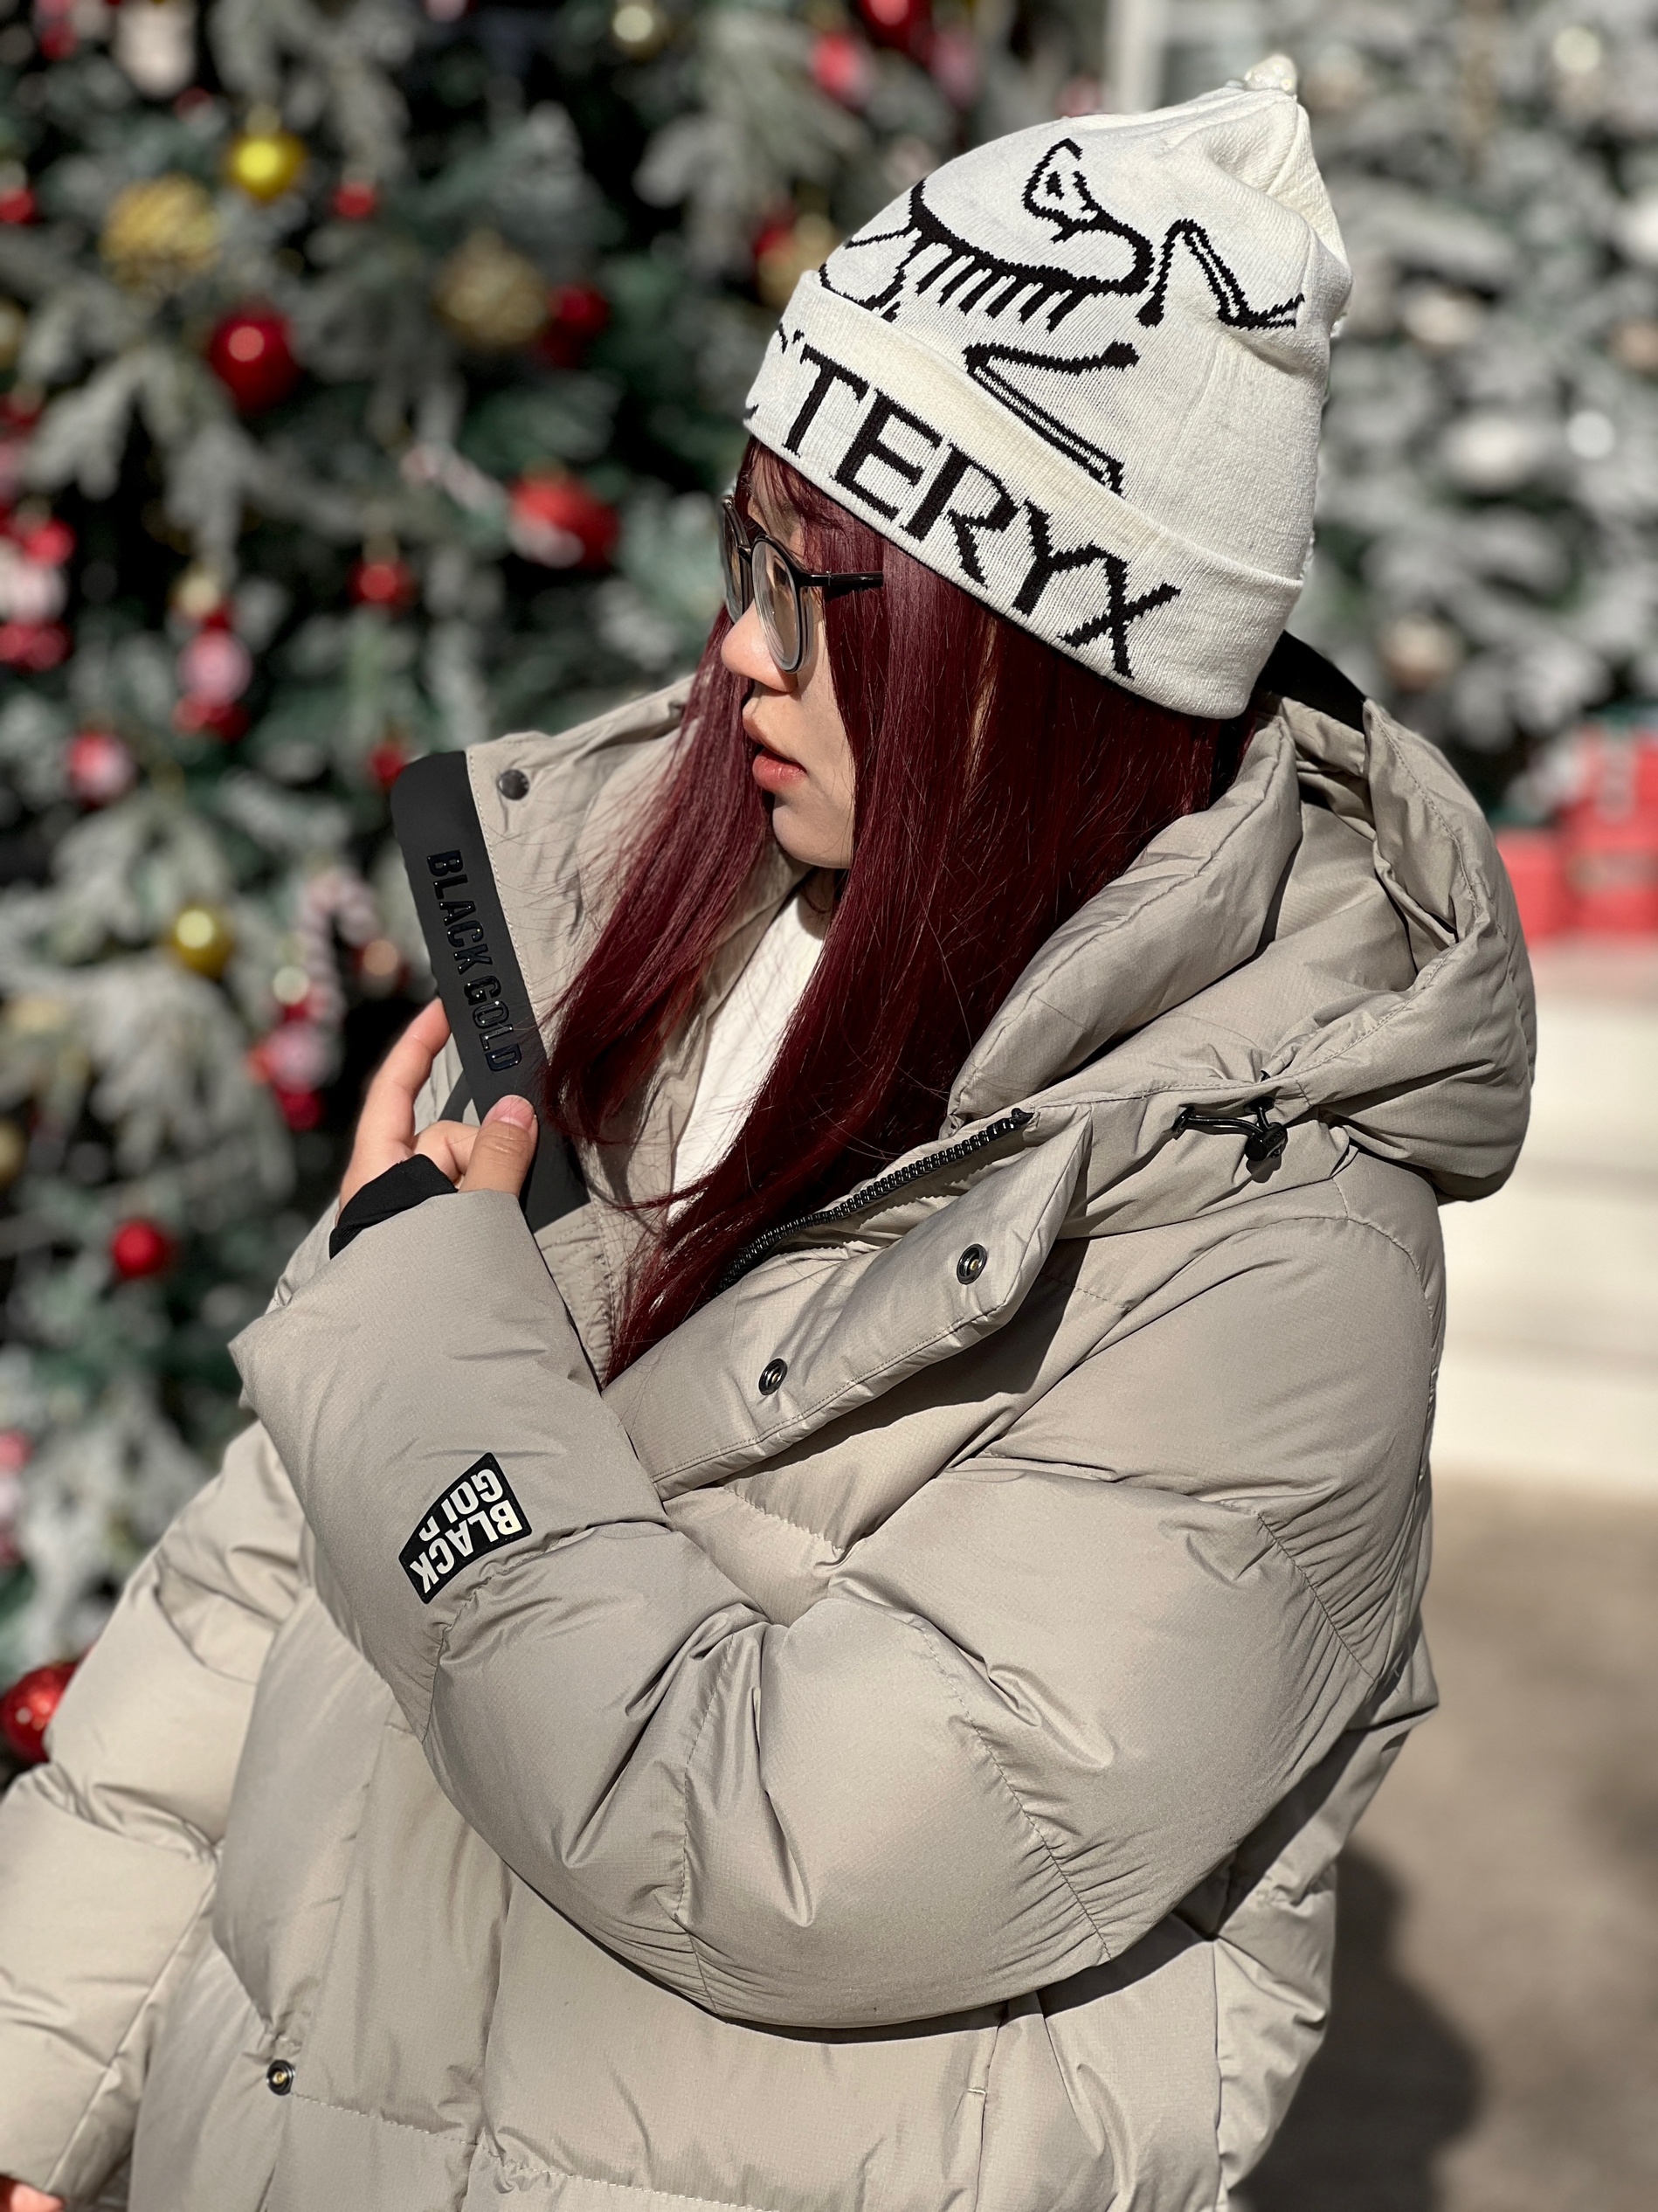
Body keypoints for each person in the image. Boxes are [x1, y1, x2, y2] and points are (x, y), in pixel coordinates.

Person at [0, 79, 1533, 2212]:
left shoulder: (1270, 1263)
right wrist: (30, 2081)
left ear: (1041, 673)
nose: (739, 645)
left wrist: (421, 1339)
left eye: (823, 594)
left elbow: (778, 1842)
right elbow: (283, 1575)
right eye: (748, 553)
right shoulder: (648, 914)